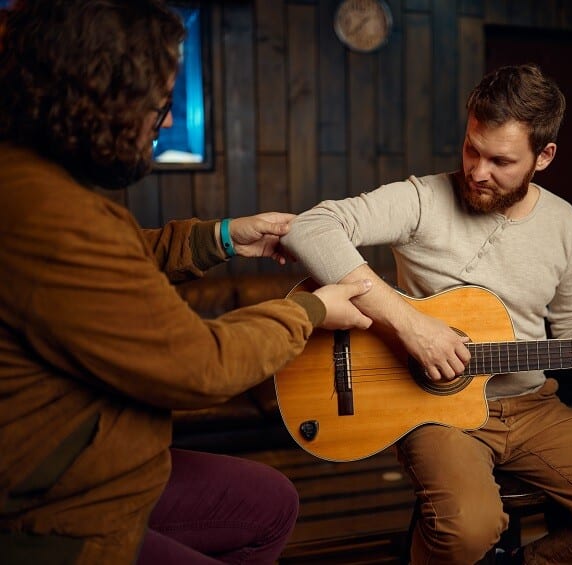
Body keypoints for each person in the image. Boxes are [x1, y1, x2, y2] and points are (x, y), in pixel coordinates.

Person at [0, 1, 373, 563]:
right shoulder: (48, 212)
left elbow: (117, 264)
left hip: (111, 474)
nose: (161, 123)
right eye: (156, 105)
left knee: (268, 500)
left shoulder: (37, 183)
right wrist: (311, 311)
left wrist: (222, 237)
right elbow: (204, 366)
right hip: (63, 516)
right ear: (97, 97)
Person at [283, 63, 572, 564]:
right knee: (467, 530)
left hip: (534, 408)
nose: (477, 170)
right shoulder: (424, 199)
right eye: (472, 147)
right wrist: (410, 326)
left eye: (500, 160)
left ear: (545, 156)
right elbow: (309, 228)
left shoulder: (565, 224)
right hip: (436, 411)